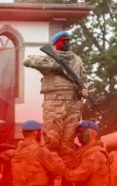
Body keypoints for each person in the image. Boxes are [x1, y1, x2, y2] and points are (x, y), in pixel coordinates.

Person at [22, 31, 88, 159]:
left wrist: (84, 90)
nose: (67, 43)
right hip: (54, 104)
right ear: (56, 43)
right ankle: (52, 174)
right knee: (52, 140)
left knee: (68, 142)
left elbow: (83, 78)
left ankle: (65, 176)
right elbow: (28, 60)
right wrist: (54, 66)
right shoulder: (50, 58)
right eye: (64, 41)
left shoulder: (77, 60)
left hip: (73, 103)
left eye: (69, 40)